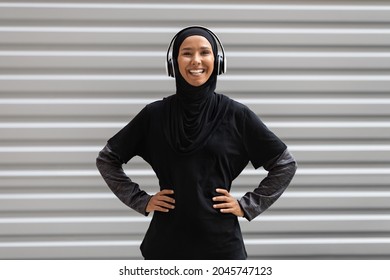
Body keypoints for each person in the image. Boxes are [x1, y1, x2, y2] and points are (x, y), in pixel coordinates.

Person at [96, 26, 297, 260]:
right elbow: (107, 159)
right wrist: (142, 200)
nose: (196, 61)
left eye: (204, 52)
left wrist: (247, 205)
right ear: (174, 62)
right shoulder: (154, 115)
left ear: (218, 61)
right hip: (164, 249)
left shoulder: (236, 115)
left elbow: (284, 164)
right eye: (187, 53)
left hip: (222, 251)